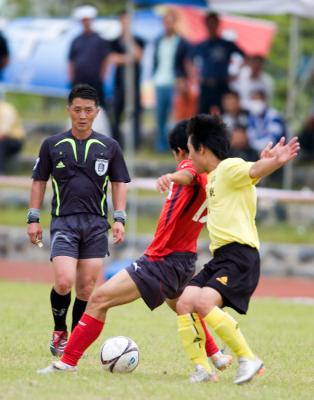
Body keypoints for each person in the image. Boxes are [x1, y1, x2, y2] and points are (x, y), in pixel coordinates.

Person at [37, 119, 232, 375]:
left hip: (162, 260)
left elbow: (188, 173)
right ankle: (215, 355)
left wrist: (172, 175)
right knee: (182, 306)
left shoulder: (191, 167)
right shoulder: (215, 178)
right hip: (183, 259)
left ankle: (67, 362)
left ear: (183, 151)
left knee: (98, 299)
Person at [174, 114, 299, 384]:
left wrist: (273, 162)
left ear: (202, 149)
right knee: (185, 302)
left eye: (190, 148)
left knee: (204, 303)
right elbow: (252, 175)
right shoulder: (217, 177)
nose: (189, 156)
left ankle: (248, 358)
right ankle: (202, 370)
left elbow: (253, 171)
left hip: (240, 255)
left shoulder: (229, 167)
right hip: (221, 257)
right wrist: (266, 161)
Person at [27, 84, 130, 357]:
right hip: (64, 222)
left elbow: (119, 182)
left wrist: (119, 217)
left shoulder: (109, 146)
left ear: (96, 112)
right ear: (69, 111)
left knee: (86, 288)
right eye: (77, 110)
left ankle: (73, 341)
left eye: (88, 110)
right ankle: (59, 329)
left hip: (97, 224)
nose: (82, 115)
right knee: (64, 281)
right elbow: (39, 181)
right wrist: (33, 218)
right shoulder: (52, 144)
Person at [191, 12, 245, 114]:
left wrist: (236, 74)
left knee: (225, 116)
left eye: (213, 23)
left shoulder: (226, 44)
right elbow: (189, 59)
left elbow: (244, 56)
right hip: (206, 84)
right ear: (205, 25)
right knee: (202, 118)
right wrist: (194, 74)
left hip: (222, 84)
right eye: (209, 23)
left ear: (218, 24)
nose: (211, 26)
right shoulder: (202, 45)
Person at [153, 9, 190, 152]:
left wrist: (184, 79)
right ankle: (161, 146)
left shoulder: (182, 42)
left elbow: (185, 63)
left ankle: (176, 145)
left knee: (175, 116)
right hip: (160, 81)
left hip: (175, 82)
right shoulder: (158, 41)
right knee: (160, 116)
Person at [109, 10, 145, 150]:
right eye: (123, 21)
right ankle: (116, 144)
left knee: (135, 115)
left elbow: (138, 55)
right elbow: (113, 59)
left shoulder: (138, 40)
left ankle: (135, 145)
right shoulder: (114, 41)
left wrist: (129, 41)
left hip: (134, 84)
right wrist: (129, 59)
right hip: (119, 84)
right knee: (117, 115)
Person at [68, 5, 110, 110]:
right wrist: (71, 78)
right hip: (79, 80)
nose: (86, 22)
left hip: (95, 80)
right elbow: (71, 61)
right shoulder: (76, 40)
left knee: (98, 105)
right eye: (84, 20)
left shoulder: (99, 39)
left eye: (88, 20)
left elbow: (105, 59)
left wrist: (103, 76)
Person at [247, 89, 287, 153]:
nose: (254, 102)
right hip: (256, 151)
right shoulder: (252, 117)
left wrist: (260, 147)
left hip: (274, 150)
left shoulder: (274, 116)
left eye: (257, 99)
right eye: (252, 100)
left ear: (264, 100)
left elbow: (274, 137)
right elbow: (251, 136)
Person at [0, 95, 25, 174]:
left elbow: (3, 133)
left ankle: (1, 172)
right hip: (4, 139)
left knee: (1, 144)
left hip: (14, 140)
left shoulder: (6, 110)